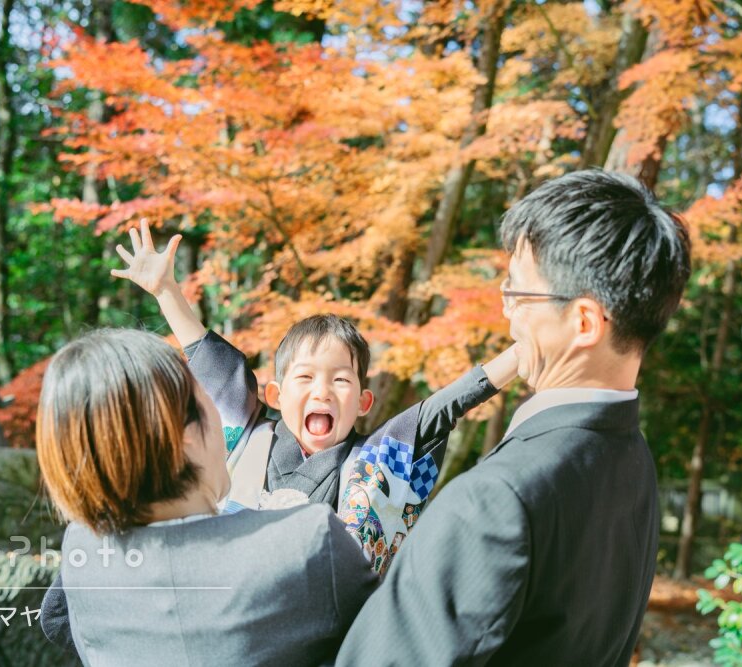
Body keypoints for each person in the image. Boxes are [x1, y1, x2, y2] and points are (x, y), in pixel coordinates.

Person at [336, 169, 692, 666]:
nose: (508, 312)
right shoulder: (631, 457)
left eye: (519, 294)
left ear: (584, 321)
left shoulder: (493, 502)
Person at [110, 220, 519, 571]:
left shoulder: (371, 460)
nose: (322, 391)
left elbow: (442, 409)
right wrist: (166, 291)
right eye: (304, 377)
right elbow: (210, 362)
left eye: (341, 380)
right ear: (275, 394)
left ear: (364, 402)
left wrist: (525, 352)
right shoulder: (250, 431)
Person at [36, 328, 378, 665]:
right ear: (184, 435)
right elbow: (388, 636)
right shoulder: (310, 539)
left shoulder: (81, 551)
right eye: (207, 400)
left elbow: (55, 620)